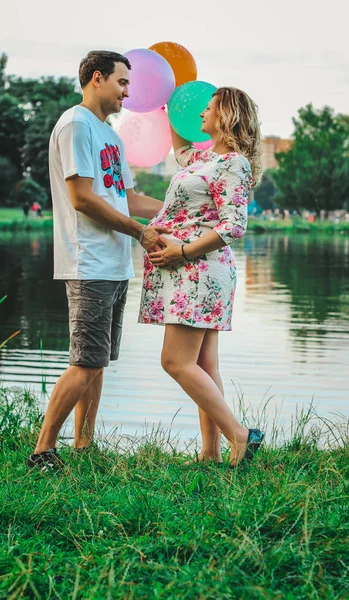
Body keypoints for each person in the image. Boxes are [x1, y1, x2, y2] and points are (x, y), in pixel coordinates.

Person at [27, 50, 168, 470]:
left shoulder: (111, 135)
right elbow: (82, 198)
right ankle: (42, 451)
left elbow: (126, 197)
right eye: (122, 82)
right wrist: (140, 232)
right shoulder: (76, 125)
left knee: (98, 361)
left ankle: (83, 447)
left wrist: (179, 210)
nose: (128, 91)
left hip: (115, 263)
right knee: (85, 359)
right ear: (96, 78)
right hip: (88, 261)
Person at [139, 87, 264, 467]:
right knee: (205, 366)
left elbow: (233, 225)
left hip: (200, 271)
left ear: (225, 115)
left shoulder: (233, 164)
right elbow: (179, 146)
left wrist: (181, 250)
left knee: (175, 362)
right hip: (192, 272)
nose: (200, 115)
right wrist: (166, 103)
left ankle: (241, 437)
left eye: (207, 109)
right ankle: (210, 453)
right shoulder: (202, 158)